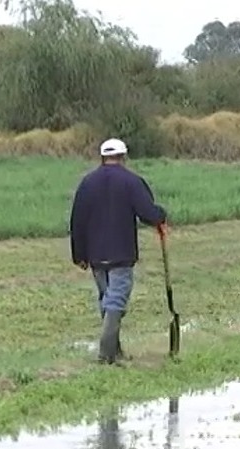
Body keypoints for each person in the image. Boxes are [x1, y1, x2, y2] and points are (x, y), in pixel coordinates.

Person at [69, 138, 168, 365]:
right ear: (123, 157)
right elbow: (148, 213)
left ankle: (115, 351)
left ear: (102, 157)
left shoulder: (86, 183)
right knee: (115, 301)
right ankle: (106, 354)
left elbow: (77, 222)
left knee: (107, 299)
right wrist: (161, 215)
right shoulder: (131, 181)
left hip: (95, 255)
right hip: (121, 254)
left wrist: (79, 255)